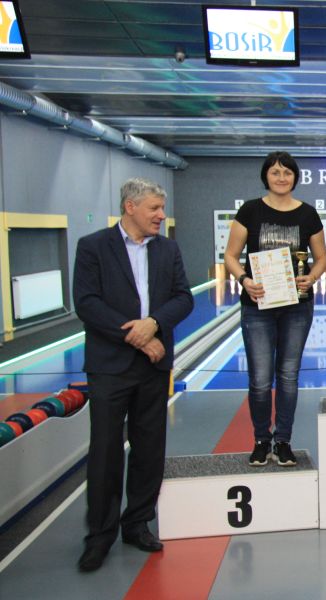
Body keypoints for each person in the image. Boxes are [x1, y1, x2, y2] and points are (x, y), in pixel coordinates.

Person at [73, 178, 194, 572]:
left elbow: (183, 298)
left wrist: (154, 322)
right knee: (106, 450)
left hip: (152, 367)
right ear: (130, 207)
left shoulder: (168, 249)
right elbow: (87, 303)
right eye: (154, 208)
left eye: (161, 208)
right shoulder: (92, 247)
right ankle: (99, 535)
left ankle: (137, 523)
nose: (161, 215)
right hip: (110, 364)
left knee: (149, 447)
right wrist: (139, 336)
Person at [224, 151, 326, 467]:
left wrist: (311, 277)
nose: (281, 178)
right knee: (259, 378)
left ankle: (283, 441)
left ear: (295, 177)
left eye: (287, 172)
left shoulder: (308, 214)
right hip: (257, 305)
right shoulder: (250, 211)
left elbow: (322, 258)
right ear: (266, 177)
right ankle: (261, 440)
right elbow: (230, 256)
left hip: (297, 306)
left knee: (288, 376)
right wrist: (244, 280)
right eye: (275, 172)